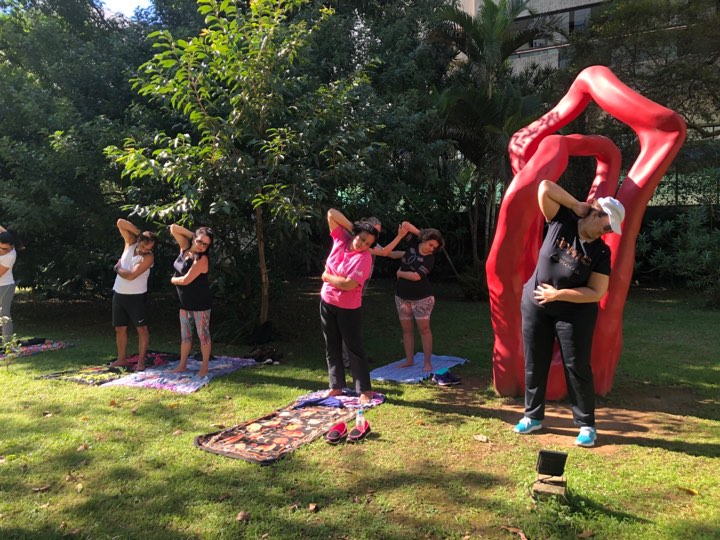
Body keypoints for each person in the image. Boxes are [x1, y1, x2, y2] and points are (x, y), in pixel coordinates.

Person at [513, 180, 625, 448]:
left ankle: (587, 425)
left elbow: (596, 292)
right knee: (535, 361)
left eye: (611, 229)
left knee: (577, 366)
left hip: (574, 313)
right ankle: (532, 416)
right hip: (536, 304)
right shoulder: (562, 221)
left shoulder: (601, 252)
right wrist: (577, 206)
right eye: (607, 225)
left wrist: (559, 294)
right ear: (596, 214)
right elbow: (544, 187)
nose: (607, 232)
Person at [320, 209, 379, 404]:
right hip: (327, 301)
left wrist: (327, 276)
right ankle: (336, 385)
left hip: (349, 308)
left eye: (368, 244)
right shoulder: (342, 239)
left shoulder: (365, 258)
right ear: (355, 234)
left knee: (354, 348)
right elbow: (331, 213)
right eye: (361, 239)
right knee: (331, 345)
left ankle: (364, 390)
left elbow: (348, 284)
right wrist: (354, 227)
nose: (363, 245)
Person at [388, 228, 445, 372]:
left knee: (424, 330)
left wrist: (400, 273)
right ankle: (409, 360)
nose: (431, 249)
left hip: (422, 298)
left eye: (434, 247)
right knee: (406, 330)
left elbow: (416, 276)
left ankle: (427, 363)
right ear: (424, 239)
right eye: (430, 244)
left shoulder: (429, 259)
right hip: (402, 297)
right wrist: (422, 234)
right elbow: (406, 225)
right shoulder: (413, 244)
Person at [110, 220, 156, 371]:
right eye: (143, 246)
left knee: (141, 329)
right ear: (139, 241)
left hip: (136, 297)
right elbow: (120, 222)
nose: (144, 250)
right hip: (119, 294)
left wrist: (117, 268)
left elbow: (131, 276)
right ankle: (121, 359)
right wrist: (138, 233)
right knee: (120, 328)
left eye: (148, 248)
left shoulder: (148, 257)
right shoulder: (130, 243)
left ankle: (141, 362)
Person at [170, 224, 214, 378]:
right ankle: (182, 365)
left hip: (200, 303)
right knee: (185, 336)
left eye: (206, 245)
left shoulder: (202, 259)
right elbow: (173, 228)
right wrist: (193, 236)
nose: (202, 246)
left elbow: (185, 280)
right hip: (185, 302)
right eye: (200, 242)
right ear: (194, 238)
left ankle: (204, 367)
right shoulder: (185, 248)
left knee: (203, 335)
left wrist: (172, 280)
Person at [0, 226, 20, 342]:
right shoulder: (6, 238)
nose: (2, 250)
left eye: (4, 248)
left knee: (4, 314)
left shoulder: (10, 256)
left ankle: (7, 344)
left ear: (11, 246)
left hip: (5, 286)